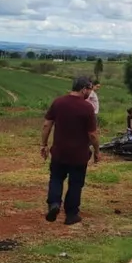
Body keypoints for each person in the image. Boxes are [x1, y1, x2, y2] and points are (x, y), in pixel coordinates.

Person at [40, 77, 100, 225]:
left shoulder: (58, 102)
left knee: (56, 178)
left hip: (59, 152)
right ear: (83, 89)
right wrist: (97, 151)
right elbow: (92, 134)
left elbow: (47, 125)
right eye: (90, 89)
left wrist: (44, 144)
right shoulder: (87, 108)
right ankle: (71, 215)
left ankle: (54, 204)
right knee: (75, 183)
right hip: (79, 155)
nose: (91, 92)